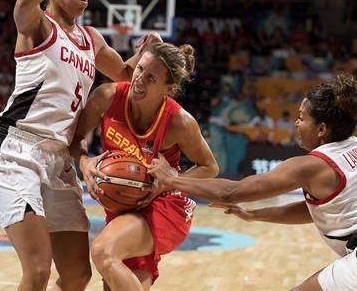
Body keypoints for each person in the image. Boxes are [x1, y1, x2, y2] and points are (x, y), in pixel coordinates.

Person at [0, 0, 161, 291]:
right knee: (37, 270)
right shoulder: (38, 26)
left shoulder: (90, 39)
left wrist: (145, 52)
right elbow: (21, 4)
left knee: (78, 274)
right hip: (18, 153)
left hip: (59, 160)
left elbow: (125, 74)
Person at [147, 74, 357, 291]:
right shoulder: (352, 147)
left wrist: (173, 179)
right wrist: (253, 214)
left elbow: (231, 191)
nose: (296, 123)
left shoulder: (311, 166)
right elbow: (316, 211)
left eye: (302, 118)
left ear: (321, 129)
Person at [70, 42, 219, 290]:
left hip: (164, 204)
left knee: (102, 252)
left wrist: (169, 181)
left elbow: (209, 166)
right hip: (125, 202)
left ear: (168, 89)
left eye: (151, 77)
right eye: (139, 69)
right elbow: (76, 138)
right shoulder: (107, 97)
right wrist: (85, 162)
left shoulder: (179, 122)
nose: (139, 79)